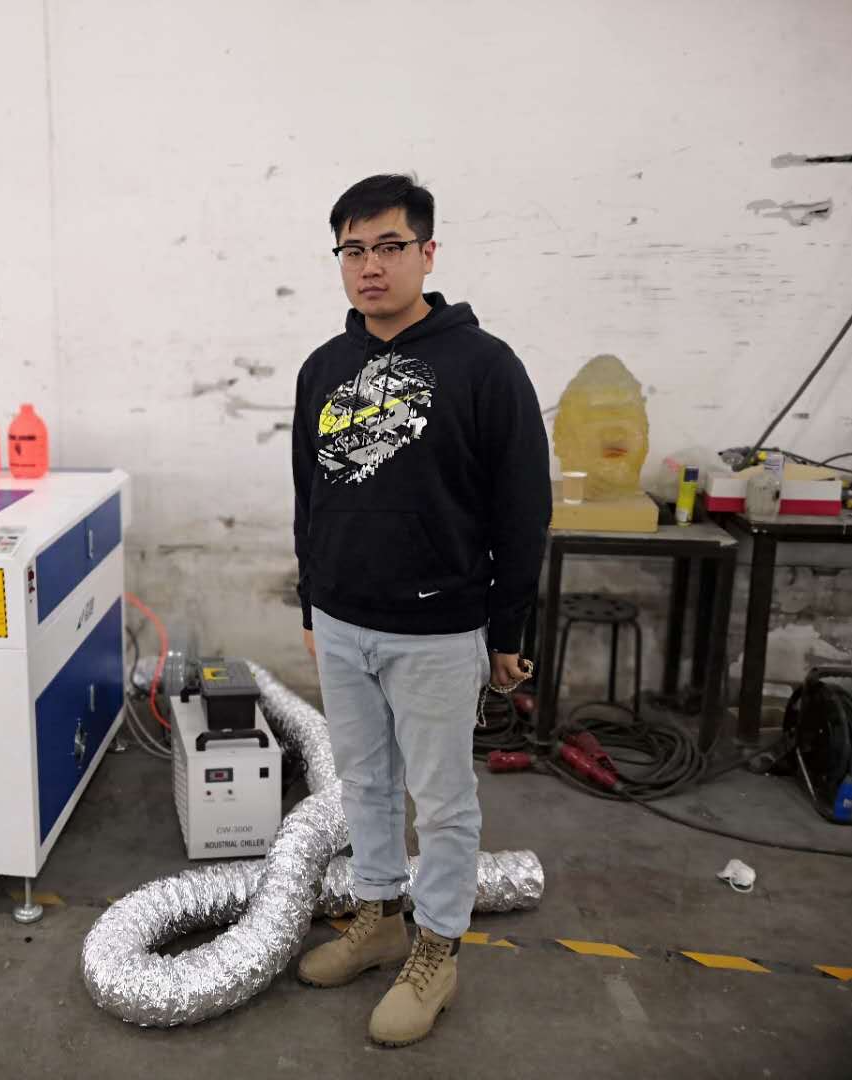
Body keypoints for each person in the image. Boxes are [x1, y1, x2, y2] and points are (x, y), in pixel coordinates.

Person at [291, 174, 550, 1047]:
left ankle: (438, 948)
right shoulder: (323, 369)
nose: (371, 266)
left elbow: (523, 509)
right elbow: (309, 496)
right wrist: (312, 602)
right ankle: (379, 919)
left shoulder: (485, 366)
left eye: (390, 247)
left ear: (428, 254)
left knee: (441, 801)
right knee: (364, 783)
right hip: (342, 621)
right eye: (354, 250)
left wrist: (509, 629)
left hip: (438, 628)